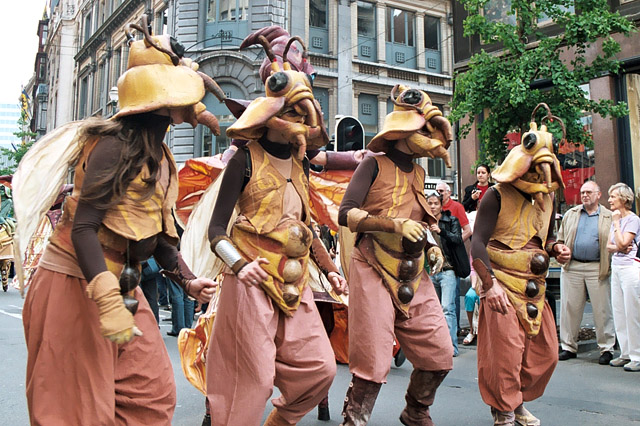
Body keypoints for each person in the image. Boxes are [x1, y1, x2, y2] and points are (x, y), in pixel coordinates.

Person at [20, 18, 218, 425]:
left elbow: (157, 237)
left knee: (150, 394)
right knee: (76, 411)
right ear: (166, 93)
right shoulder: (114, 145)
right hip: (77, 283)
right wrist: (108, 300)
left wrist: (187, 279)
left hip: (124, 283)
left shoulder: (162, 155)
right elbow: (83, 228)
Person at [206, 30, 347, 426]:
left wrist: (332, 271)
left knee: (320, 370)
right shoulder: (244, 159)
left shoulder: (301, 163)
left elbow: (306, 228)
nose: (299, 121)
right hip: (250, 282)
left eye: (303, 115)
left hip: (295, 283)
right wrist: (238, 265)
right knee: (250, 382)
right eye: (292, 113)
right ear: (267, 114)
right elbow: (217, 230)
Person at [339, 84, 454, 425]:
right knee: (372, 359)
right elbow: (345, 214)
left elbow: (418, 219)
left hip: (413, 273)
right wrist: (394, 226)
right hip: (372, 265)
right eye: (423, 130)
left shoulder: (420, 173)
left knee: (439, 354)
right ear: (403, 131)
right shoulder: (372, 164)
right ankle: (354, 419)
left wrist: (432, 247)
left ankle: (416, 410)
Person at [471, 105, 571, 426]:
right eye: (533, 170)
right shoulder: (495, 195)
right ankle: (505, 410)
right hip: (500, 284)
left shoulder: (547, 198)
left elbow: (546, 239)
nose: (539, 177)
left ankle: (517, 403)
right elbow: (477, 244)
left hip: (535, 288)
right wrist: (490, 286)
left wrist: (558, 248)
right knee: (505, 355)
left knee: (546, 353)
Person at [556, 180, 615, 364]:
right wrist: (559, 249)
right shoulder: (571, 214)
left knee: (602, 309)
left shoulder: (609, 216)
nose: (584, 195)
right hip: (572, 266)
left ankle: (606, 348)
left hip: (597, 267)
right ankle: (568, 346)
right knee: (569, 308)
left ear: (599, 195)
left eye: (589, 192)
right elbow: (560, 239)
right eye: (582, 192)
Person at [426, 192, 470, 357]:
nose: (432, 207)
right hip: (432, 272)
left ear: (441, 205)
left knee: (447, 309)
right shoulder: (424, 224)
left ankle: (451, 347)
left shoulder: (450, 220)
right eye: (429, 203)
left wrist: (440, 231)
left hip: (448, 270)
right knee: (435, 311)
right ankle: (437, 347)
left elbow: (458, 239)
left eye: (435, 203)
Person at [606, 182, 640, 372]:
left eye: (613, 196)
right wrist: (618, 245)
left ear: (624, 199)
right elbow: (610, 246)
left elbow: (624, 242)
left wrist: (617, 224)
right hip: (617, 267)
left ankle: (637, 355)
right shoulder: (614, 219)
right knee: (619, 311)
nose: (610, 200)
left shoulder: (632, 220)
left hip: (630, 269)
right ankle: (625, 353)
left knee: (632, 312)